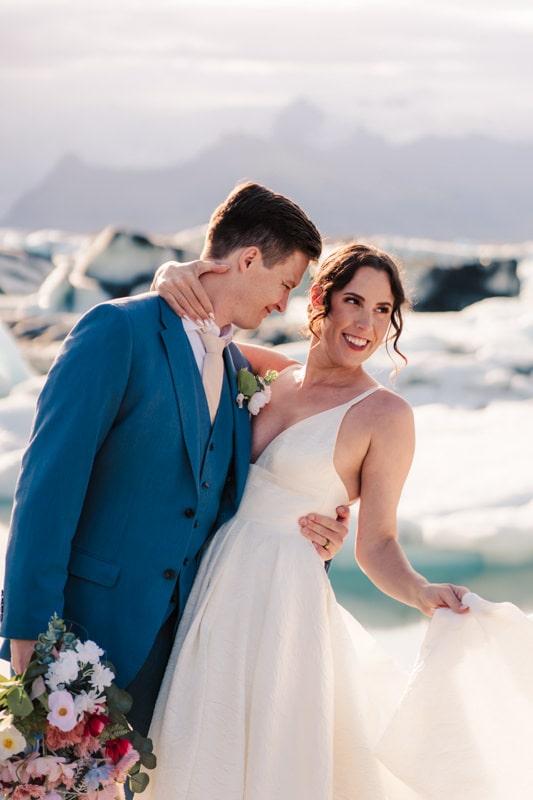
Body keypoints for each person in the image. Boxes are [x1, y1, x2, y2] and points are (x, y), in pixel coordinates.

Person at [0, 182, 350, 756]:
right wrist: (28, 629)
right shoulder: (118, 332)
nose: (284, 304)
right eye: (286, 283)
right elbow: (47, 482)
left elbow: (247, 484)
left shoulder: (241, 370)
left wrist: (317, 529)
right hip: (78, 635)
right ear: (247, 260)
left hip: (178, 658)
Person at [142, 242, 480, 799]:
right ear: (320, 298)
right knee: (195, 751)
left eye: (382, 310)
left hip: (284, 603)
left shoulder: (386, 416)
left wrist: (421, 592)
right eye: (354, 301)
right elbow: (194, 323)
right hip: (209, 585)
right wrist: (171, 273)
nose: (366, 324)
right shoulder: (263, 371)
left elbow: (379, 542)